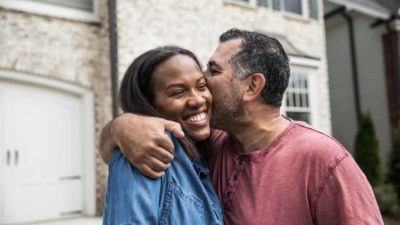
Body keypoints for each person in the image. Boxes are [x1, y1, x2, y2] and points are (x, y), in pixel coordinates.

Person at [99, 29, 384, 225]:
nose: (203, 86)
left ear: (252, 86)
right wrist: (119, 127)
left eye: (212, 72)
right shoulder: (209, 145)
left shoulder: (323, 159)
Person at [102, 46, 224, 225]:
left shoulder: (203, 151)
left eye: (201, 86)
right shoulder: (145, 151)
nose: (198, 100)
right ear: (149, 104)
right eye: (178, 92)